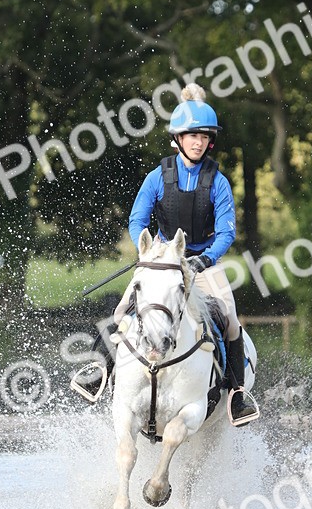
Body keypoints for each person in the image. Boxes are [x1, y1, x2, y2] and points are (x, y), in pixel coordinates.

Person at [72, 83, 259, 425]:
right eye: (192, 136)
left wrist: (206, 258)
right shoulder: (158, 177)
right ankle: (98, 372)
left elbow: (228, 231)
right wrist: (149, 252)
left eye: (204, 136)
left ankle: (237, 395)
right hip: (160, 262)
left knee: (230, 322)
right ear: (178, 139)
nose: (199, 142)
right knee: (120, 311)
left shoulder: (218, 182)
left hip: (202, 264)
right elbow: (137, 220)